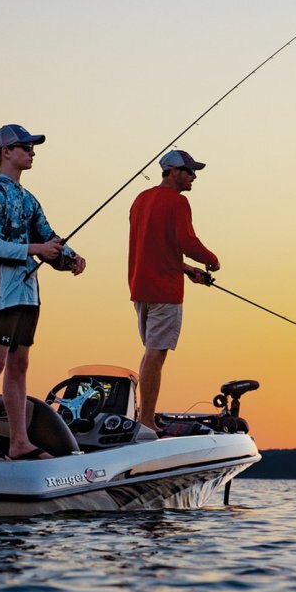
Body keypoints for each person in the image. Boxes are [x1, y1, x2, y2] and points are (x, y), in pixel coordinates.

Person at [0, 123, 85, 460]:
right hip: (1, 291)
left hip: (27, 293)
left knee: (19, 364)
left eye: (32, 147)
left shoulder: (28, 198)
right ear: (6, 152)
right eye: (25, 147)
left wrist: (70, 257)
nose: (32, 152)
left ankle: (19, 443)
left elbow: (48, 238)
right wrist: (36, 249)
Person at [127, 149, 220, 433]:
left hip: (140, 287)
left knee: (151, 353)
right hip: (164, 292)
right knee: (156, 355)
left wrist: (186, 269)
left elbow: (157, 246)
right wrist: (211, 260)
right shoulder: (179, 202)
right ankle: (146, 420)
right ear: (175, 171)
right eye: (190, 172)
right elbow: (187, 241)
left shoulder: (140, 200)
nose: (194, 177)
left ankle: (145, 416)